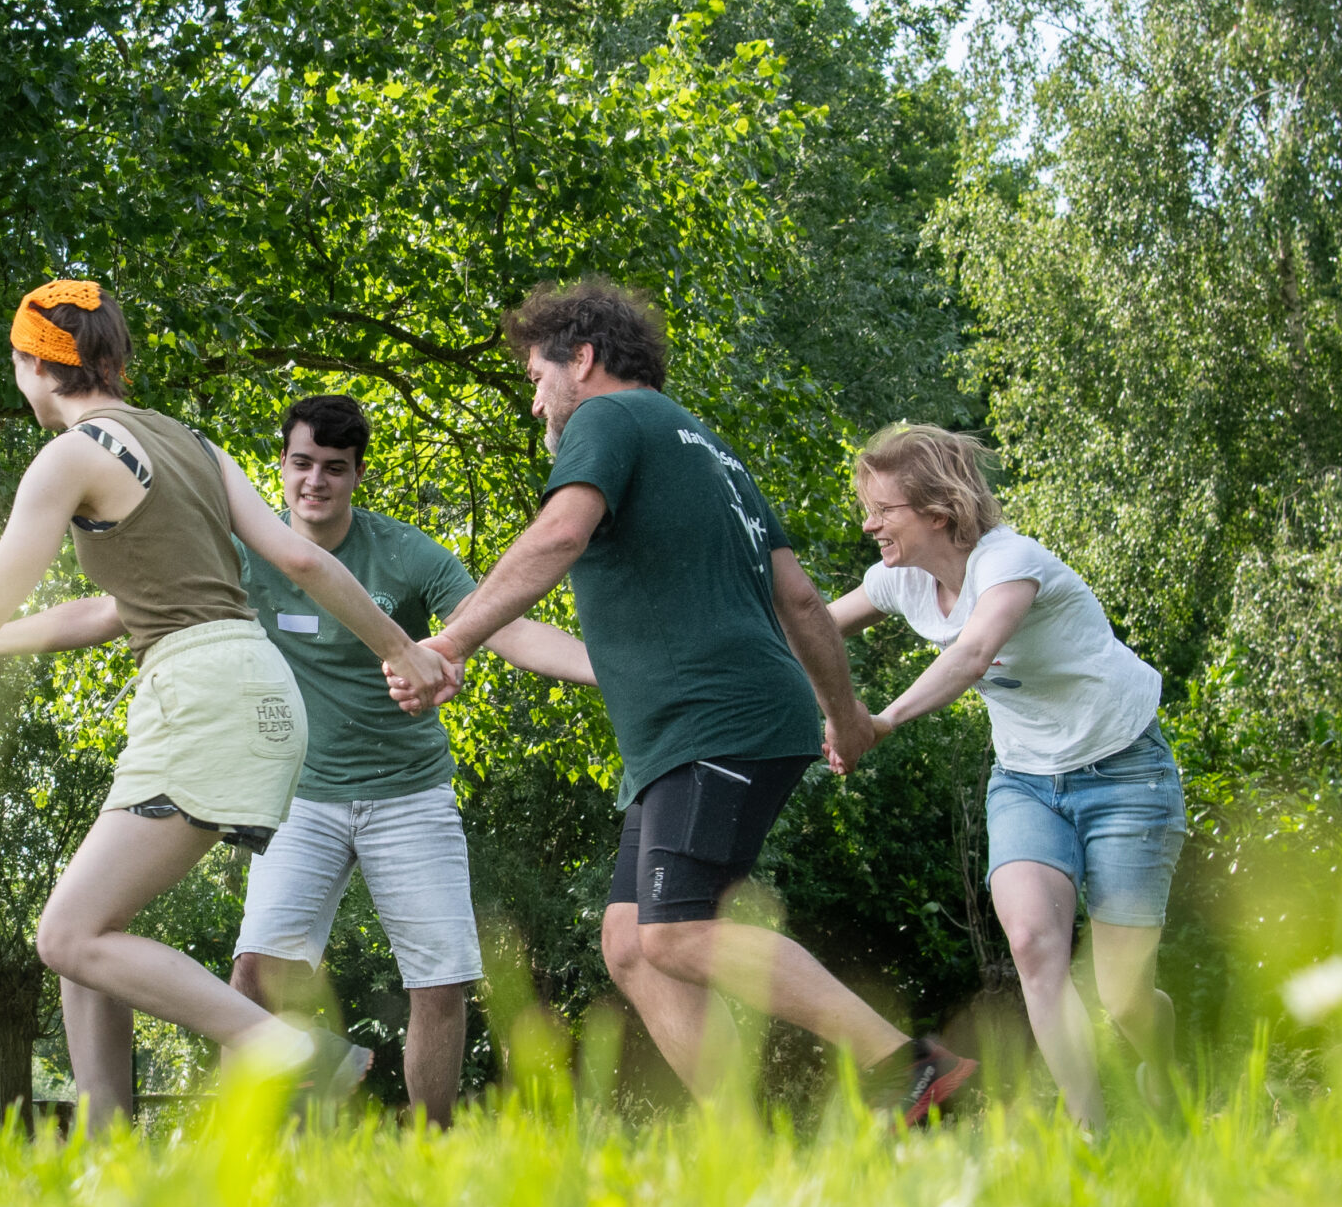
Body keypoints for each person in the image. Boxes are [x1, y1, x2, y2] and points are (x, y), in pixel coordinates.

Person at [0, 279, 461, 1129]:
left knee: (65, 935)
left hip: (199, 694)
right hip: (251, 686)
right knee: (90, 938)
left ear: (33, 364)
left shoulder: (69, 455)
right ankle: (107, 1150)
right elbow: (297, 564)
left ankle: (289, 1050)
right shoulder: (192, 444)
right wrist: (401, 647)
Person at [387, 278, 976, 1124]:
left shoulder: (607, 420)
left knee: (671, 931)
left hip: (715, 722)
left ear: (582, 358)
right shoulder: (711, 450)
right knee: (629, 941)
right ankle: (743, 1135)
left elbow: (559, 534)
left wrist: (448, 642)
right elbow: (803, 603)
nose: (536, 404)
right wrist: (844, 715)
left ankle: (904, 1063)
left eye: (536, 378)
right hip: (718, 724)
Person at [222, 394, 595, 1129]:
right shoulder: (249, 556)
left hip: (408, 794)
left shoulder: (405, 552)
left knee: (442, 981)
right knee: (253, 977)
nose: (315, 482)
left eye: (334, 468)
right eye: (302, 464)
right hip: (301, 798)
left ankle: (434, 1141)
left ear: (359, 473)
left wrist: (614, 669)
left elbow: (507, 628)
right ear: (283, 466)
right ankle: (251, 1146)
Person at [827, 425, 1181, 1126]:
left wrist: (879, 722)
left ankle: (1164, 1069)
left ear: (937, 509)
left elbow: (973, 653)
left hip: (1125, 773)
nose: (868, 524)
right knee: (1033, 945)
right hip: (1026, 782)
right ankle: (1095, 1134)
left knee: (1123, 992)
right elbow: (811, 624)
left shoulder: (1011, 562)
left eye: (882, 509)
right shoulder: (903, 582)